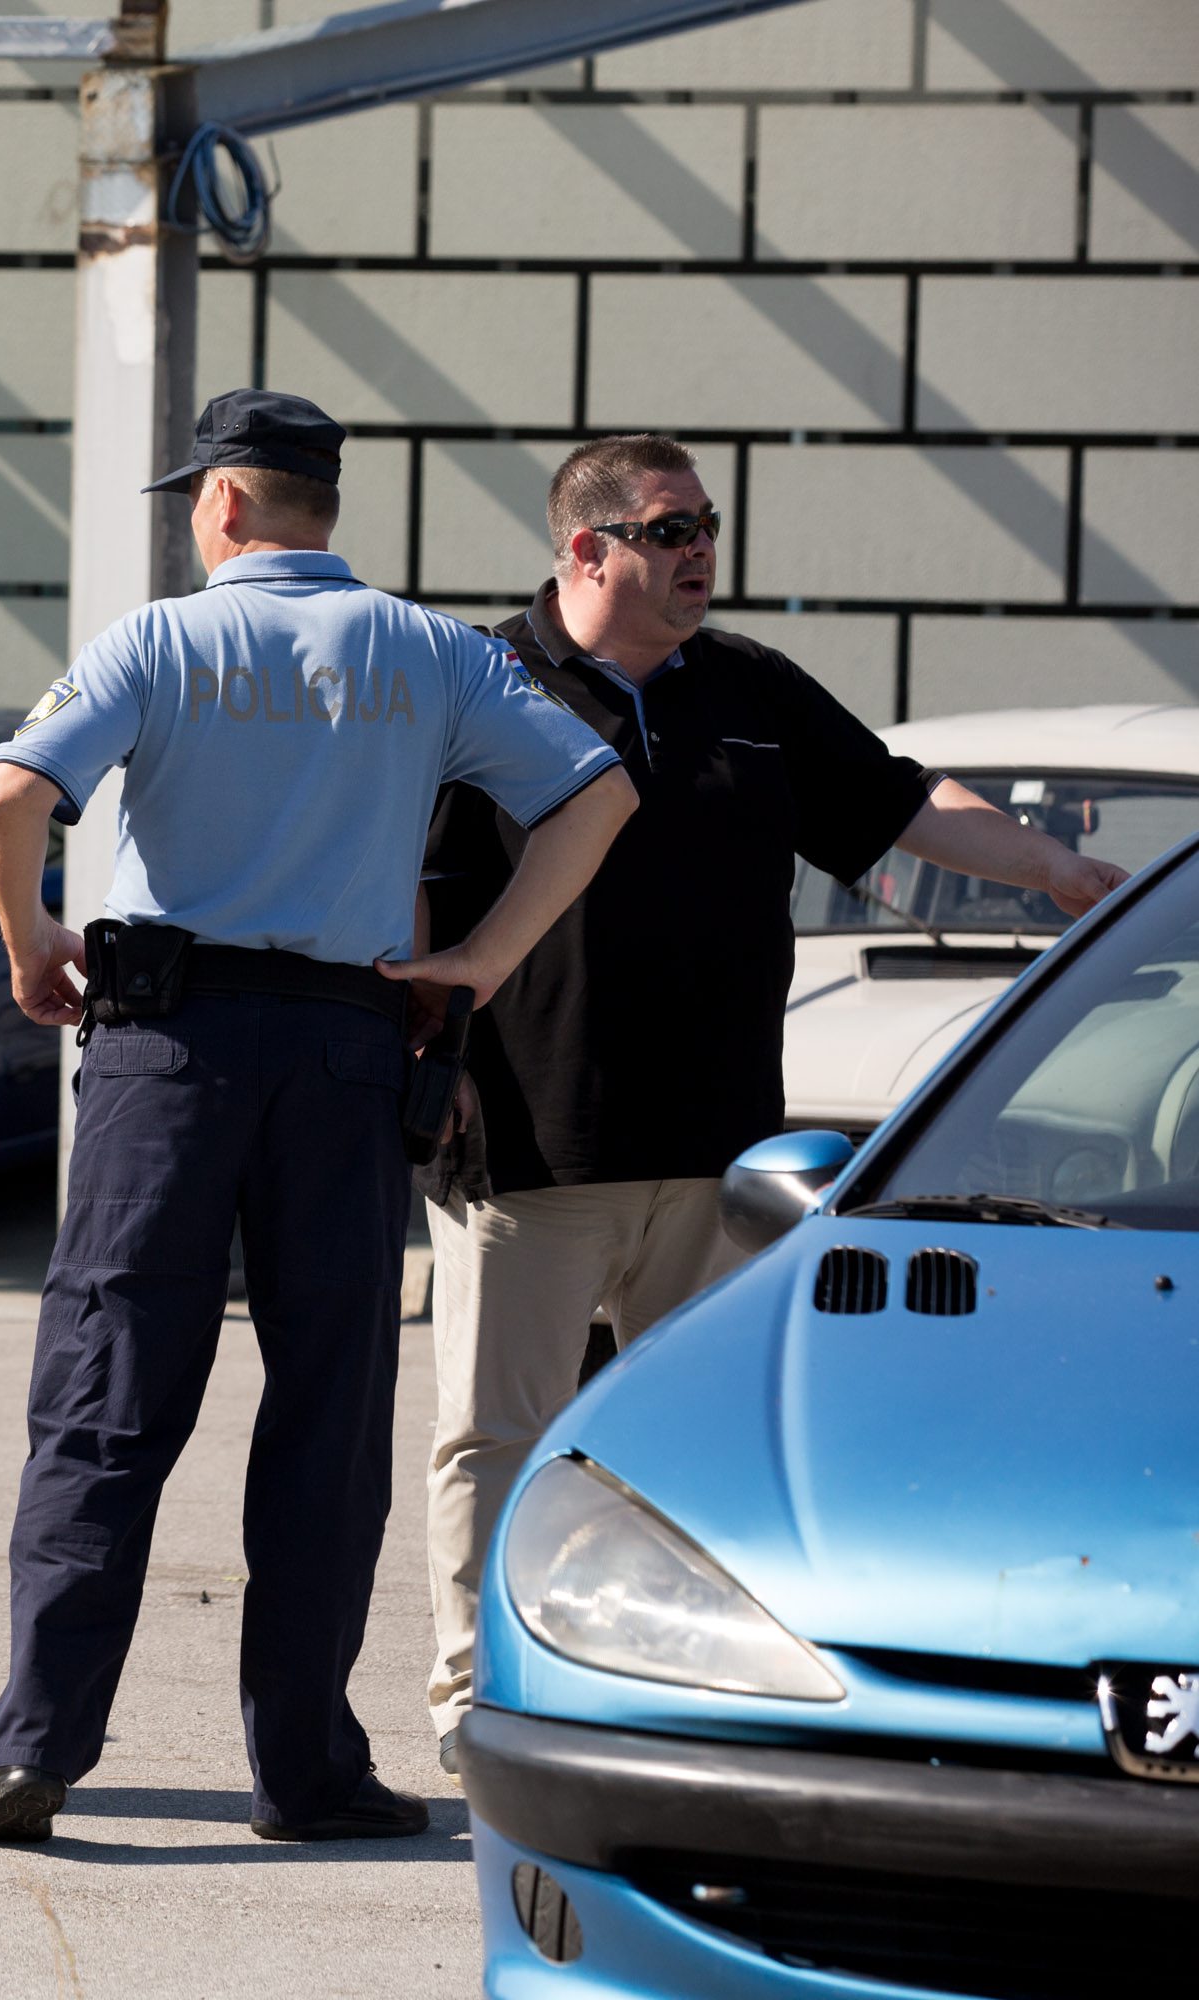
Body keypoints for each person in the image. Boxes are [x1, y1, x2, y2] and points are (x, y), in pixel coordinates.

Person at [0, 389, 639, 1846]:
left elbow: (13, 797)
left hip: (163, 1055)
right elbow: (595, 797)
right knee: (328, 1420)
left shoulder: (159, 639)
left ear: (220, 503)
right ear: (321, 505)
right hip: (345, 1052)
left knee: (106, 1396)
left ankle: (36, 1751)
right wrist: (482, 961)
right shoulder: (424, 649)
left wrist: (30, 946)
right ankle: (308, 1771)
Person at [417, 432, 1127, 1767]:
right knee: (496, 1441)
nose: (702, 553)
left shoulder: (746, 687)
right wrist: (428, 1051)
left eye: (708, 526)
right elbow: (416, 878)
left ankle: (679, 1693)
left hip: (721, 1150)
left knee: (692, 1454)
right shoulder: (481, 680)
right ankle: (476, 1704)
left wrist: (1057, 874)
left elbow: (903, 805)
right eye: (672, 530)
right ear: (589, 547)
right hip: (531, 1140)